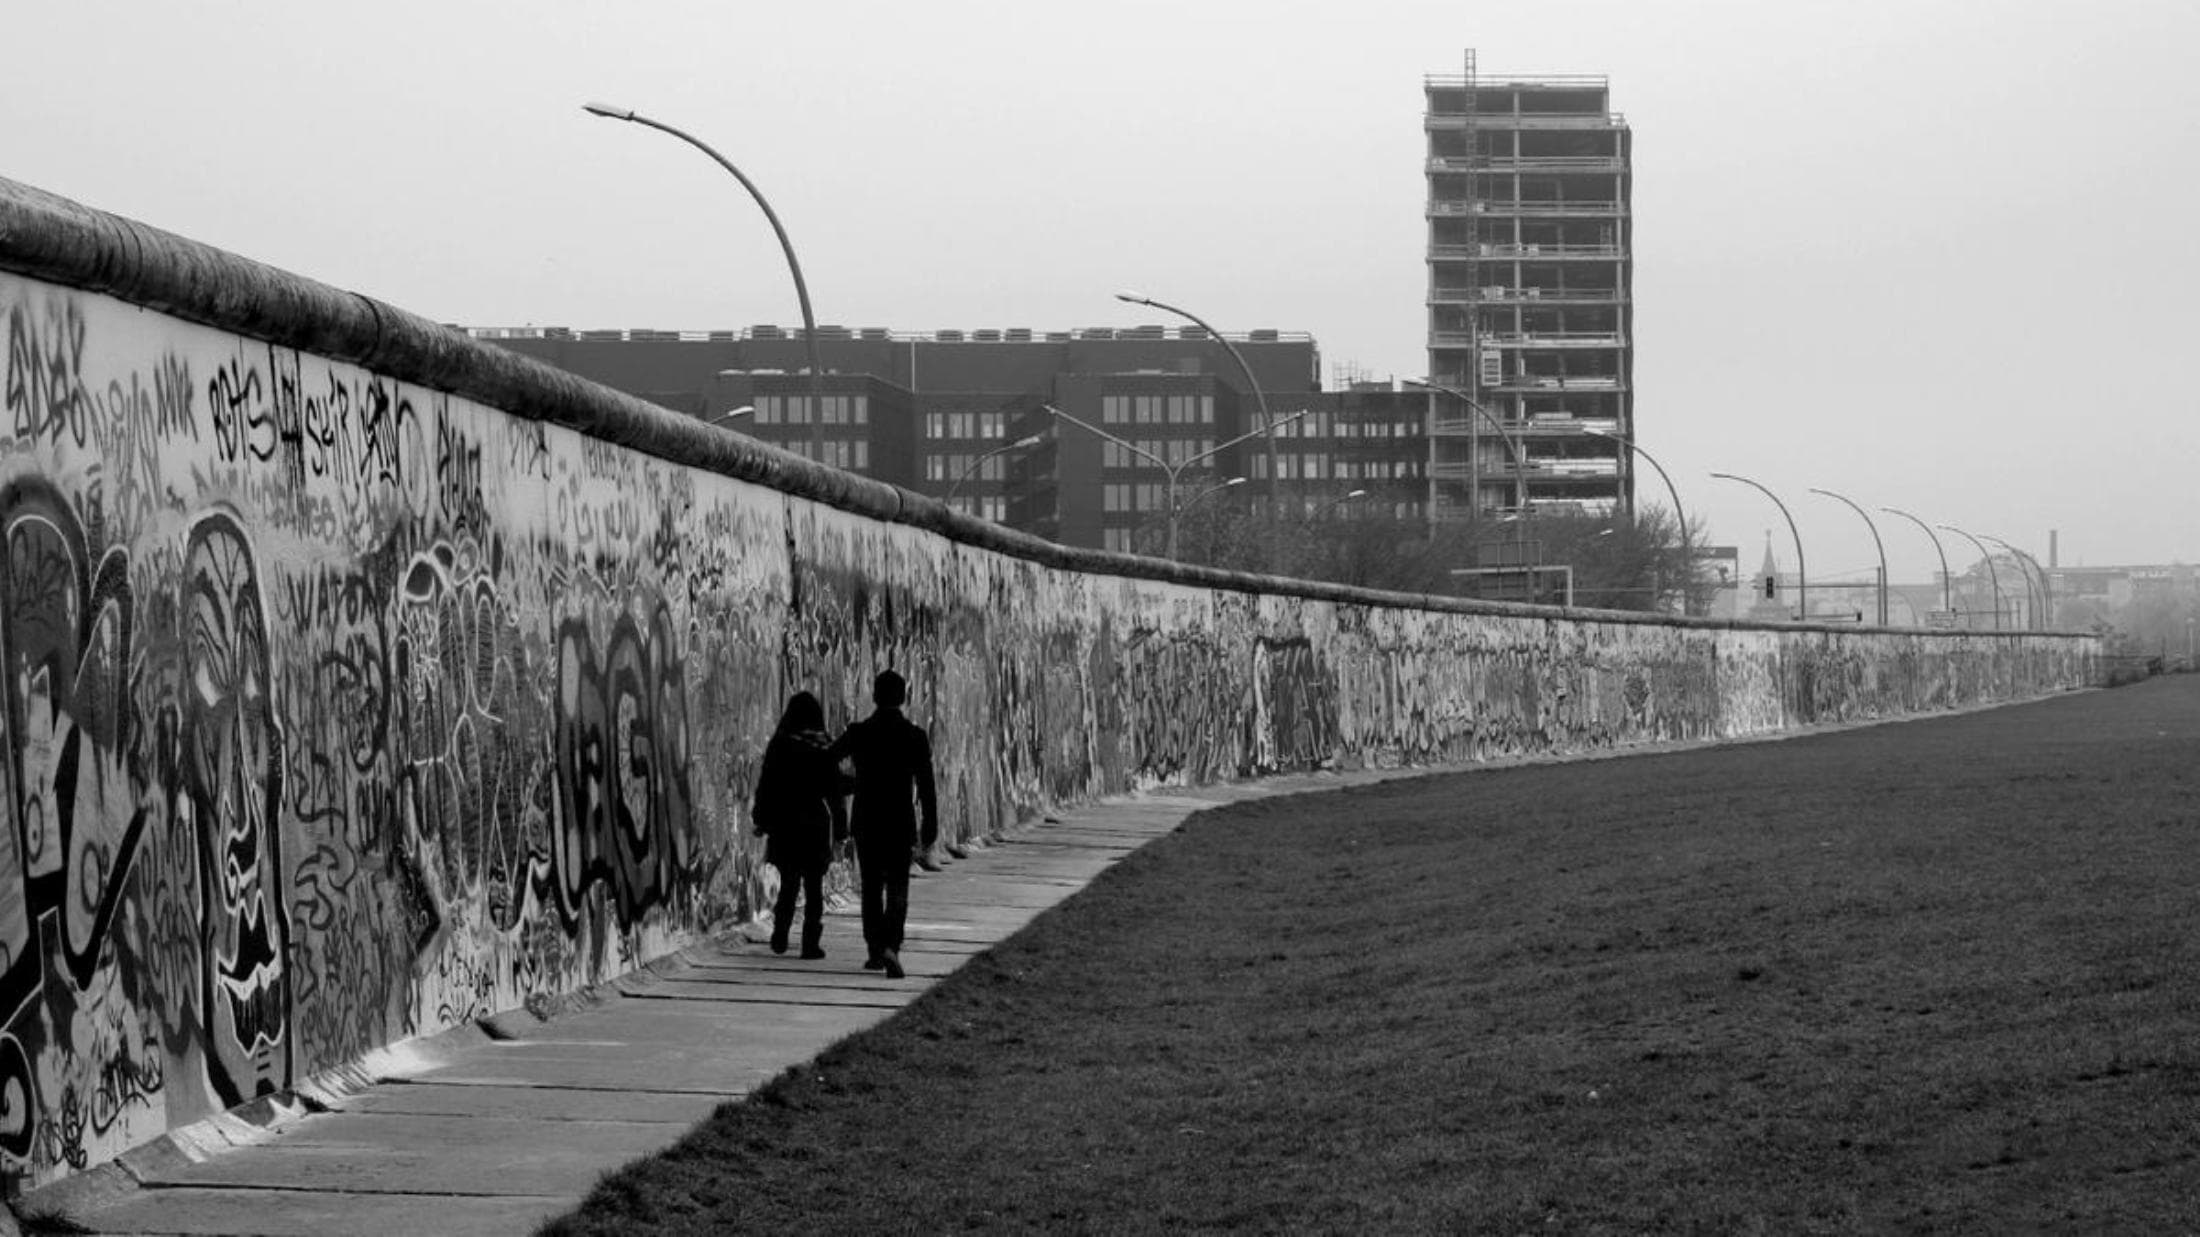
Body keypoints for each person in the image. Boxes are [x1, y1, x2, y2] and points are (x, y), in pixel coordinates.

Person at [829, 669, 938, 979]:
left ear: (875, 696)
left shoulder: (859, 732)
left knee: (872, 887)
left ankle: (875, 950)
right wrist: (930, 824)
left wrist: (848, 783)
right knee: (898, 887)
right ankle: (892, 943)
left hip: (867, 819)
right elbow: (926, 786)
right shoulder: (914, 736)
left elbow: (828, 760)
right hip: (900, 820)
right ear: (903, 698)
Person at [752, 691, 847, 960]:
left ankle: (780, 933)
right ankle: (810, 944)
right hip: (815, 823)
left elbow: (766, 785)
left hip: (785, 822)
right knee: (814, 887)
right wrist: (841, 827)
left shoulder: (780, 744)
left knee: (789, 883)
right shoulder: (823, 746)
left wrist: (761, 818)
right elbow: (834, 791)